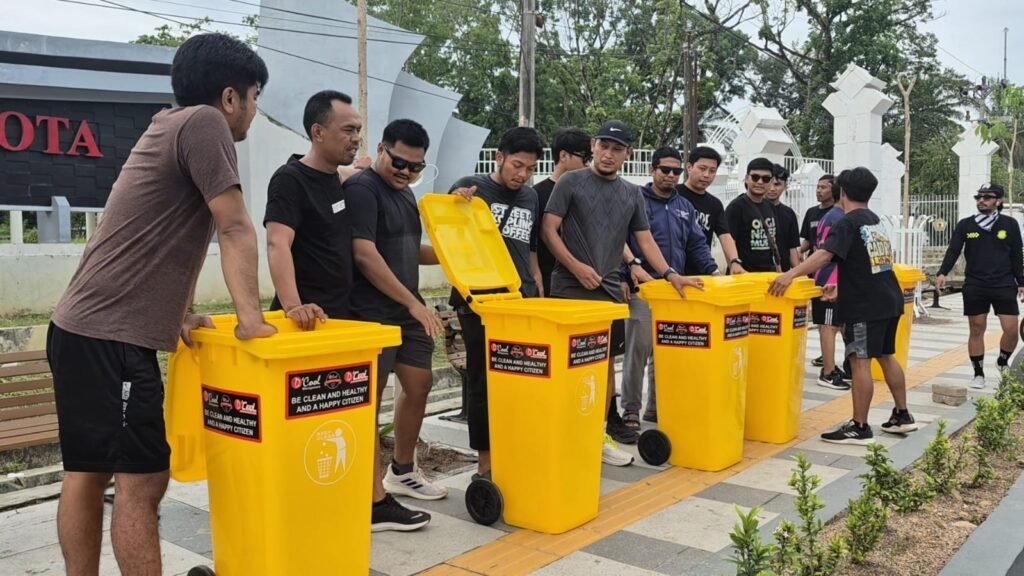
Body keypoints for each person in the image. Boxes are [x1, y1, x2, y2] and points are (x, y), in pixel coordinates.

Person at [46, 33, 276, 576]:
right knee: (141, 481)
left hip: (81, 329)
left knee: (87, 472)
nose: (254, 111)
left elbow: (154, 236)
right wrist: (251, 321)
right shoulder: (203, 124)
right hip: (112, 339)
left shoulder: (166, 124)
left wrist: (176, 313)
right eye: (254, 96)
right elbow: (236, 226)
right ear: (228, 97)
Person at [263, 93, 430, 531]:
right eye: (348, 129)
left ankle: (352, 496)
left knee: (339, 412)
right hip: (307, 321)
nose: (357, 136)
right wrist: (293, 303)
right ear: (318, 132)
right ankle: (370, 502)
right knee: (333, 411)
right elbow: (277, 242)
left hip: (341, 320)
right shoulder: (290, 180)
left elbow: (356, 177)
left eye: (358, 129)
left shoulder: (338, 179)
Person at [543, 120, 702, 466]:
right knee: (569, 366)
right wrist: (575, 266)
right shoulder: (571, 182)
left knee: (601, 368)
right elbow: (549, 229)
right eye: (603, 146)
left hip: (609, 293)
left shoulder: (631, 193)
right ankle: (565, 438)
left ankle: (596, 437)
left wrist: (671, 273)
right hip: (569, 290)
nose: (608, 154)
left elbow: (644, 241)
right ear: (593, 146)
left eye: (617, 149)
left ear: (628, 154)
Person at [770, 167, 920, 445]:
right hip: (888, 299)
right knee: (886, 355)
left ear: (842, 192)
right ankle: (902, 414)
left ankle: (859, 425)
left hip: (866, 305)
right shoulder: (874, 221)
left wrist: (790, 274)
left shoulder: (847, 222)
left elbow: (825, 254)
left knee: (859, 360)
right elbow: (868, 262)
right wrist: (839, 286)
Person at [345, 119, 450, 507]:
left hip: (407, 307)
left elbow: (410, 248)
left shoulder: (405, 194)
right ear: (381, 149)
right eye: (399, 162)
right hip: (370, 312)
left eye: (416, 166)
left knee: (419, 384)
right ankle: (366, 489)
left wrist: (460, 243)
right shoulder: (361, 190)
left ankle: (402, 470)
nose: (406, 172)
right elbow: (364, 254)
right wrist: (411, 302)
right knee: (366, 403)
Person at [447, 127, 545, 478]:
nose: (521, 174)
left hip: (521, 299)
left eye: (529, 168)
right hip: (479, 302)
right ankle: (485, 464)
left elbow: (530, 248)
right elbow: (449, 236)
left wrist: (538, 289)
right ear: (498, 157)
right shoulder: (470, 188)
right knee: (483, 380)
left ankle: (517, 449)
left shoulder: (531, 197)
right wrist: (456, 203)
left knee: (522, 378)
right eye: (516, 165)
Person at [619, 147, 719, 429]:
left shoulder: (684, 207)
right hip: (643, 288)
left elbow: (697, 245)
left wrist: (714, 272)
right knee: (638, 350)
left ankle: (655, 408)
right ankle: (630, 410)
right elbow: (617, 238)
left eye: (676, 171)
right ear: (652, 170)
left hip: (674, 290)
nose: (671, 176)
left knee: (666, 350)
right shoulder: (634, 199)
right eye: (665, 170)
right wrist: (625, 273)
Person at [936, 183, 1024, 389]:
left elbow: (1017, 254)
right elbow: (953, 250)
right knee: (977, 328)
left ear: (998, 201)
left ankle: (1002, 361)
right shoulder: (966, 225)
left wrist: (1022, 282)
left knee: (1011, 329)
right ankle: (978, 373)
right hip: (975, 284)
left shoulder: (1009, 224)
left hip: (1004, 283)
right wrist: (942, 272)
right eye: (978, 197)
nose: (981, 201)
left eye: (987, 197)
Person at [533, 128, 591, 296]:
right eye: (585, 157)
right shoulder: (534, 195)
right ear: (563, 156)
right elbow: (531, 245)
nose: (588, 164)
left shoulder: (589, 194)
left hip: (585, 282)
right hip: (549, 281)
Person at [677, 146, 745, 275]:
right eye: (702, 169)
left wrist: (734, 261)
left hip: (702, 272)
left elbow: (725, 236)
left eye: (712, 171)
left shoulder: (715, 204)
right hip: (673, 271)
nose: (706, 175)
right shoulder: (674, 195)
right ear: (689, 167)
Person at [811, 174, 851, 390]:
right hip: (828, 279)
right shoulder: (836, 218)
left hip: (836, 279)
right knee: (828, 326)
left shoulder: (836, 216)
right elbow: (827, 253)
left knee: (839, 323)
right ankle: (828, 371)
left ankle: (844, 365)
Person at [725, 157, 781, 273]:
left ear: (771, 182)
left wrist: (778, 267)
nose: (760, 182)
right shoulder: (736, 207)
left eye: (765, 179)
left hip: (768, 274)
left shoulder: (770, 206)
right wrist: (733, 266)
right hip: (743, 274)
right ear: (746, 179)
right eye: (755, 177)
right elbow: (728, 242)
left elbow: (773, 240)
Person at [766, 164, 801, 271]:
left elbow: (792, 248)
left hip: (783, 275)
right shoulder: (750, 208)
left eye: (777, 184)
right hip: (754, 274)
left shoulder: (789, 214)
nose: (772, 189)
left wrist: (799, 273)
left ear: (785, 186)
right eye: (769, 183)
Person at [800, 174, 837, 259]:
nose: (818, 191)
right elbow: (808, 240)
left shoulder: (838, 213)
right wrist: (799, 250)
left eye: (823, 187)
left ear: (834, 190)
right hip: (813, 262)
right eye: (818, 187)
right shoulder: (811, 212)